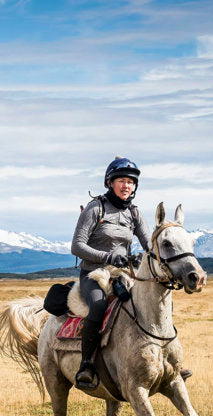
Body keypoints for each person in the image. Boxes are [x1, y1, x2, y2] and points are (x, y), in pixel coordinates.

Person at [70, 157, 191, 389]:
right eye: (121, 181)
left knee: (159, 301)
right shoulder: (96, 208)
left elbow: (149, 245)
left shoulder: (134, 213)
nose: (126, 186)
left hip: (123, 274)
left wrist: (140, 257)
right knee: (97, 305)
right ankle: (87, 364)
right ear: (109, 183)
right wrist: (108, 257)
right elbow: (77, 246)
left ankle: (169, 362)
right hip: (93, 275)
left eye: (130, 182)